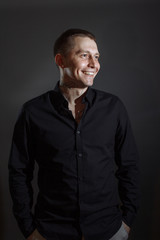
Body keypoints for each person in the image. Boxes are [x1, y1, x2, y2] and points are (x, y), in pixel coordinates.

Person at [9, 29, 139, 240]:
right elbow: (18, 172)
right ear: (61, 60)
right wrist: (28, 228)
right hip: (51, 232)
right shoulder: (32, 112)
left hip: (109, 230)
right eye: (84, 55)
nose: (94, 64)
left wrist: (127, 221)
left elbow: (130, 166)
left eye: (96, 56)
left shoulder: (113, 107)